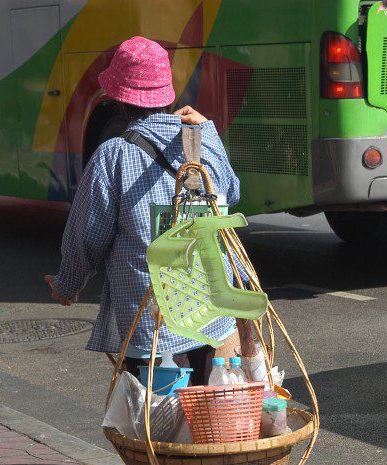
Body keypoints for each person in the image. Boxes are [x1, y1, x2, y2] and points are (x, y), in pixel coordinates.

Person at [45, 35, 254, 387]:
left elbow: (88, 235)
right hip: (209, 308)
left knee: (156, 422)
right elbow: (230, 192)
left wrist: (68, 284)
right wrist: (209, 132)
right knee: (204, 419)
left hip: (151, 318)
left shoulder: (114, 155)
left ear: (118, 99)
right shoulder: (200, 140)